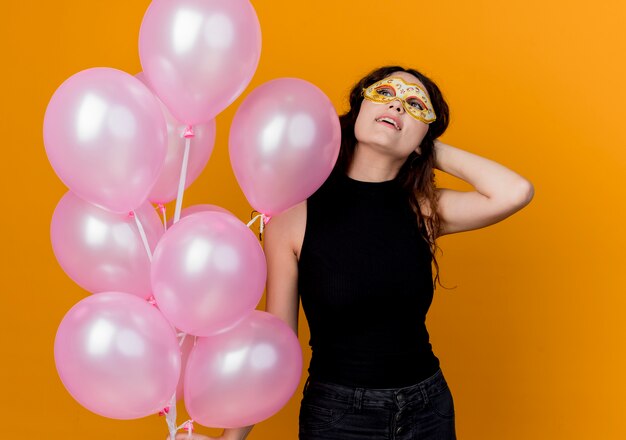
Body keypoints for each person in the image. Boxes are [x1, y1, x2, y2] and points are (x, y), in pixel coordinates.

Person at [169, 65, 534, 440]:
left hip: (428, 408)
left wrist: (425, 145)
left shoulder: (423, 208)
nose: (396, 107)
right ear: (358, 109)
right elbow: (277, 344)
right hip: (339, 417)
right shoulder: (293, 215)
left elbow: (514, 191)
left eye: (414, 104)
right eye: (385, 95)